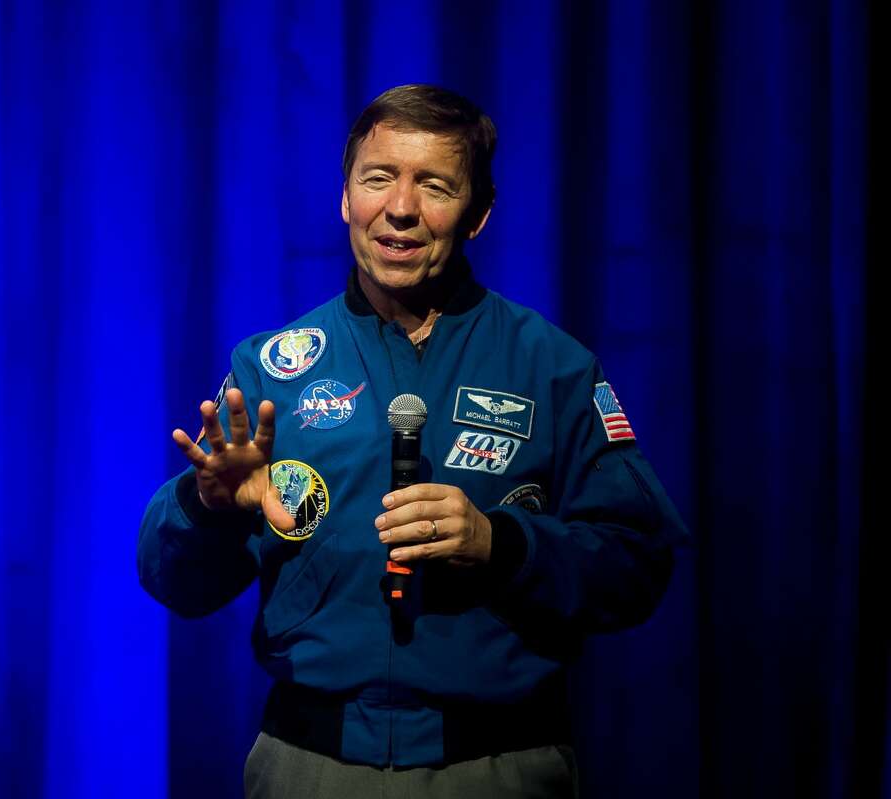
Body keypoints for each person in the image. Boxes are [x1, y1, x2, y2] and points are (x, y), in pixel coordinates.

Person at [137, 84, 687, 798]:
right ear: (344, 199)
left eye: (434, 185)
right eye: (377, 179)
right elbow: (171, 580)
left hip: (497, 769)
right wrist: (209, 506)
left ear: (479, 213)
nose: (400, 208)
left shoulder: (552, 366)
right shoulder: (271, 368)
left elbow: (638, 562)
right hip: (311, 767)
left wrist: (504, 543)